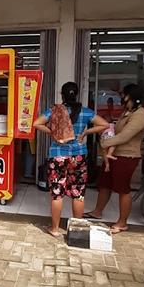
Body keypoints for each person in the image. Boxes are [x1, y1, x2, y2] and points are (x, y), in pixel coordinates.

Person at [34, 82, 108, 238]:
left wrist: (53, 133)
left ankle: (54, 229)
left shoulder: (54, 111)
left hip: (58, 155)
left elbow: (36, 123)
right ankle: (77, 230)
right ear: (76, 94)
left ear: (62, 95)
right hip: (78, 156)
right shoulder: (86, 112)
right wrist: (86, 132)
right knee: (78, 193)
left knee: (57, 193)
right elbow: (104, 124)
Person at [84, 83, 144, 233]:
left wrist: (104, 142)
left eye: (125, 96)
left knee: (122, 189)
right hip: (113, 155)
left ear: (134, 98)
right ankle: (97, 211)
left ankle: (122, 222)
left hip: (127, 156)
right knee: (104, 184)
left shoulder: (140, 115)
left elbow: (124, 136)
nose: (123, 99)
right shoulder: (129, 112)